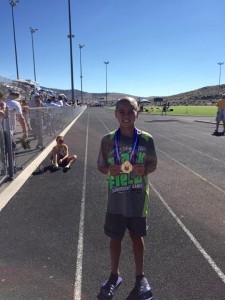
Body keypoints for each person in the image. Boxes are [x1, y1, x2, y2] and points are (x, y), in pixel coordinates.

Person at [97, 97, 157, 300]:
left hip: (138, 199)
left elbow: (153, 165)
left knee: (137, 238)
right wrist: (109, 170)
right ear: (115, 114)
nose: (126, 115)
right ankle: (115, 275)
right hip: (115, 201)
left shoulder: (147, 139)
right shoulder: (107, 139)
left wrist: (144, 169)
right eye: (121, 111)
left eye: (130, 111)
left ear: (137, 113)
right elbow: (101, 166)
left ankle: (140, 277)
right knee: (115, 238)